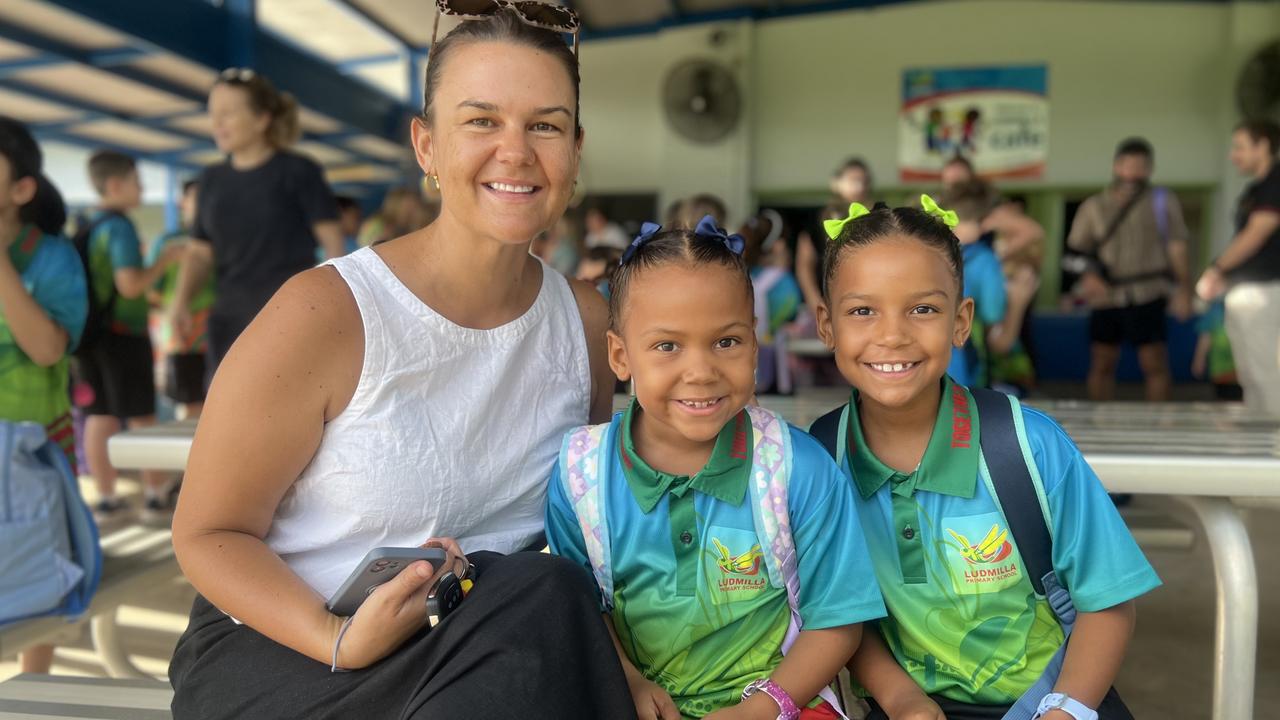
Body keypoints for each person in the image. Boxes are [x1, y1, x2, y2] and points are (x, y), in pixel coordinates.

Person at [167, 8, 635, 719]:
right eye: (480, 121)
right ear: (426, 146)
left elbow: (589, 524)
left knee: (544, 597)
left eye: (544, 125)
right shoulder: (327, 312)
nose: (515, 151)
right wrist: (338, 638)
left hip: (472, 644)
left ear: (575, 147)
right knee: (538, 597)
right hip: (291, 646)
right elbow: (206, 533)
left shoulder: (584, 320)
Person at [813, 198, 1160, 720]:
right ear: (826, 325)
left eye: (923, 309)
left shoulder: (1026, 444)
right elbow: (840, 612)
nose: (892, 335)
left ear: (961, 321)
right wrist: (901, 698)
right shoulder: (821, 458)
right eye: (862, 310)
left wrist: (1065, 709)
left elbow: (1108, 600)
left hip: (1057, 699)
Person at [546, 218, 884, 719]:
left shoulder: (798, 467)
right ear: (620, 355)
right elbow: (581, 610)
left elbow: (837, 622)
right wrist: (630, 681)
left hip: (782, 701)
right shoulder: (581, 475)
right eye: (667, 346)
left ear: (754, 343)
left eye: (726, 342)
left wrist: (762, 707)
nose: (701, 371)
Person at [171, 68, 343, 378]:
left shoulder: (299, 172)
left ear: (262, 119)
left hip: (291, 318)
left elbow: (333, 244)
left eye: (228, 114)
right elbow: (198, 253)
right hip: (229, 320)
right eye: (213, 114)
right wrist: (180, 301)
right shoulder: (210, 180)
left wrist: (334, 309)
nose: (217, 124)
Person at [0, 116, 88, 676]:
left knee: (36, 571)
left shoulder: (53, 259)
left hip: (34, 454)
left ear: (20, 189)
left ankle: (33, 682)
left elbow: (47, 350)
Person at [76, 151, 182, 521]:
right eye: (138, 181)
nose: (143, 188)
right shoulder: (119, 227)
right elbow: (131, 285)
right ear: (116, 185)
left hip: (90, 338)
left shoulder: (89, 226)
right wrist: (165, 263)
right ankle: (154, 495)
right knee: (141, 418)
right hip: (123, 337)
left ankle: (106, 497)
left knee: (98, 416)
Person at [1066, 138, 1192, 402]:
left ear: (1149, 169)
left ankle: (1159, 425)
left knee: (1154, 362)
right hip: (1105, 296)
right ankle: (1098, 423)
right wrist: (1088, 277)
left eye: (1140, 166)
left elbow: (1177, 247)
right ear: (1116, 166)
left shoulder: (1162, 201)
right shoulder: (1094, 206)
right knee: (1102, 362)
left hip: (1149, 291)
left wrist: (1184, 289)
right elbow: (1073, 253)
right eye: (1127, 165)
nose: (1133, 172)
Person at [1195, 120, 1280, 415]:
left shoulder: (1276, 181)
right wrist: (1226, 276)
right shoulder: (1253, 190)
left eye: (1240, 147)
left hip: (1267, 292)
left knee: (1268, 374)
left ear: (1264, 145)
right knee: (1251, 376)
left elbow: (1257, 233)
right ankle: (1264, 449)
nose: (1234, 155)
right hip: (1246, 290)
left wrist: (1216, 268)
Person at [147, 179, 214, 419]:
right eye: (197, 198)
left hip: (219, 331)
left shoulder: (224, 239)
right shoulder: (168, 242)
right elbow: (153, 291)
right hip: (182, 335)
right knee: (189, 401)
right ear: (182, 202)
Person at [941, 183, 1006, 389]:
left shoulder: (926, 252)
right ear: (984, 220)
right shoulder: (984, 259)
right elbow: (993, 314)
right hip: (963, 366)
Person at [796, 158, 873, 319]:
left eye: (863, 181)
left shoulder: (876, 218)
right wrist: (815, 302)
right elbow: (804, 265)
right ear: (835, 183)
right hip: (829, 304)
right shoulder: (819, 218)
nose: (859, 187)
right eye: (853, 180)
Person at [741, 208, 802, 393]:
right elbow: (793, 316)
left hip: (745, 372)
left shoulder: (740, 278)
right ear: (779, 245)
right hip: (778, 373)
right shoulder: (784, 283)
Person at [1190, 299, 1241, 401]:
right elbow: (1205, 336)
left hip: (1243, 370)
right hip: (1221, 370)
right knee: (1225, 400)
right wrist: (1199, 360)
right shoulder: (1215, 311)